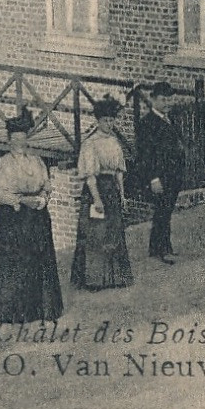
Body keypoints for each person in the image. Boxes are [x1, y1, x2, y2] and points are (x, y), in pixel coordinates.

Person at [0, 109, 64, 324]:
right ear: (10, 141)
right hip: (14, 218)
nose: (19, 143)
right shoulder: (1, 164)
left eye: (23, 139)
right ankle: (17, 311)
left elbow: (46, 184)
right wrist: (20, 200)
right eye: (15, 140)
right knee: (17, 261)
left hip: (37, 216)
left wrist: (44, 197)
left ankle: (43, 308)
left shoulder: (36, 161)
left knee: (39, 258)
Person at [70, 95, 134, 290]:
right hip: (95, 190)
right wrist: (97, 199)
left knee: (114, 232)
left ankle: (116, 277)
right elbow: (90, 175)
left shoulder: (114, 142)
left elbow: (118, 173)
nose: (109, 124)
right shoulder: (91, 143)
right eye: (105, 120)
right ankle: (94, 279)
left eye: (112, 120)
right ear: (98, 121)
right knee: (96, 234)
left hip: (111, 190)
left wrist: (122, 195)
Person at [135, 81, 187, 264]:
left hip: (172, 175)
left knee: (166, 211)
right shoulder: (147, 124)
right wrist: (153, 178)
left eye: (170, 99)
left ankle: (158, 246)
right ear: (153, 100)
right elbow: (145, 155)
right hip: (159, 177)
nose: (167, 103)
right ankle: (162, 249)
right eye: (163, 100)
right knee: (162, 211)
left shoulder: (170, 119)